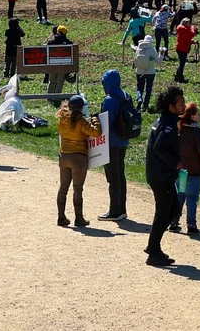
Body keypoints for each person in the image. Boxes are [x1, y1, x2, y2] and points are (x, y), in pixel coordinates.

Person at [145, 86, 185, 266]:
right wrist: (175, 163)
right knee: (164, 212)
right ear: (171, 106)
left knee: (173, 209)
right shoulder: (167, 125)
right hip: (161, 176)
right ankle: (154, 252)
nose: (184, 106)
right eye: (180, 103)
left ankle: (152, 246)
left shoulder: (166, 121)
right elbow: (159, 148)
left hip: (160, 174)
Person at [56, 95, 101, 227]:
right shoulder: (81, 122)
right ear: (81, 108)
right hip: (78, 158)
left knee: (63, 188)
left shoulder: (61, 119)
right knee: (78, 188)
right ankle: (79, 218)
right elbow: (96, 132)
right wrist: (95, 119)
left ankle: (61, 217)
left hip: (64, 155)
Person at [172, 102, 200, 235]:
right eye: (199, 114)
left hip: (182, 172)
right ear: (193, 117)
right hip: (194, 172)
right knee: (192, 199)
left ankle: (174, 222)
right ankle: (191, 225)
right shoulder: (198, 133)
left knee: (180, 196)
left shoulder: (179, 130)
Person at [98, 70, 132, 222]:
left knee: (113, 178)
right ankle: (122, 209)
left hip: (111, 142)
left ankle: (114, 211)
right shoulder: (126, 96)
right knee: (120, 176)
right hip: (123, 140)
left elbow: (106, 122)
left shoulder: (110, 100)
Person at [133, 35, 161, 111]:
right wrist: (161, 54)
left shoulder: (139, 48)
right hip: (150, 72)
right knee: (148, 89)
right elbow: (159, 62)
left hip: (139, 71)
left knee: (140, 87)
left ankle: (139, 98)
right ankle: (145, 105)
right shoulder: (152, 49)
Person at [175, 17, 197, 83]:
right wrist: (193, 28)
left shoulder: (182, 29)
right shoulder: (183, 29)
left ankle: (177, 76)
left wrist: (193, 41)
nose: (190, 24)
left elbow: (186, 39)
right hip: (182, 49)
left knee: (181, 63)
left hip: (180, 47)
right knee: (182, 64)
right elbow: (191, 34)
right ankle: (180, 78)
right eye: (189, 23)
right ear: (185, 23)